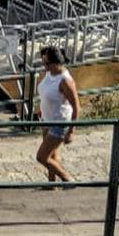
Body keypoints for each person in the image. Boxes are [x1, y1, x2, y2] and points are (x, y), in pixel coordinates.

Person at [34, 44, 79, 182]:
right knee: (52, 155)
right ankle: (51, 184)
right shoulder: (49, 73)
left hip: (60, 122)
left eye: (47, 63)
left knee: (42, 157)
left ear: (56, 62)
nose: (44, 66)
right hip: (47, 119)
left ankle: (67, 179)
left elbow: (76, 107)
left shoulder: (65, 81)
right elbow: (46, 93)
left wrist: (71, 131)